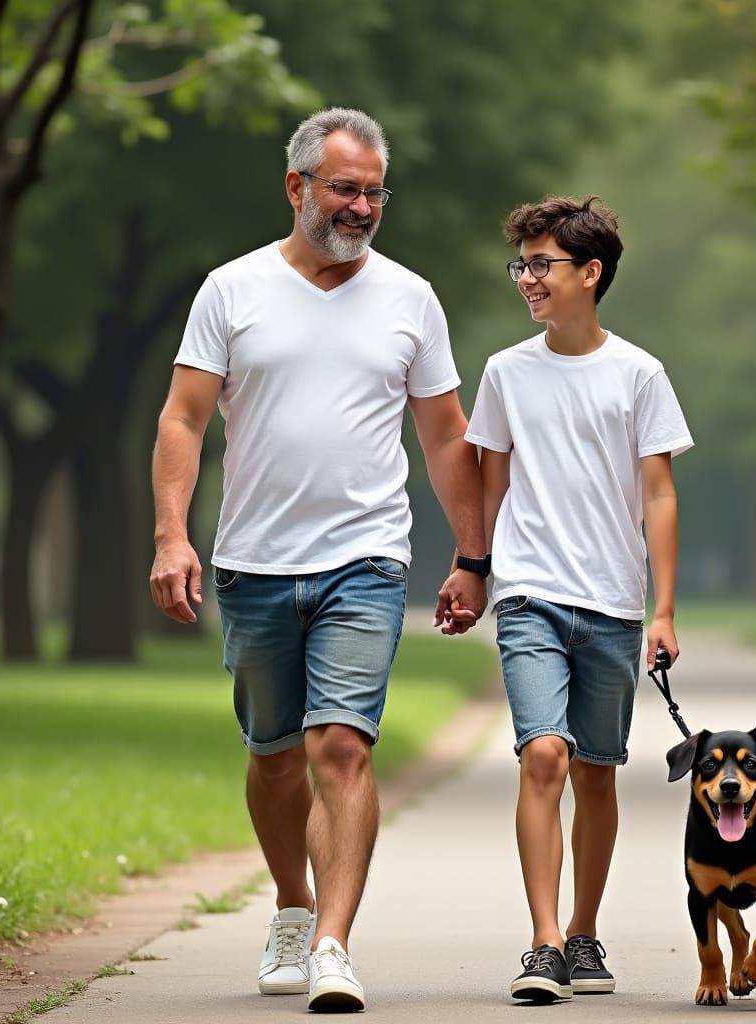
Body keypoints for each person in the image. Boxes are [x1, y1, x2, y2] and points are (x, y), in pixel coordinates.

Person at [149, 107, 488, 1013]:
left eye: (375, 193)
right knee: (274, 757)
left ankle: (334, 945)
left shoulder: (411, 298)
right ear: (296, 185)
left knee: (340, 746)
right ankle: (293, 906)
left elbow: (445, 435)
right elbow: (183, 417)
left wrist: (473, 555)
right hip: (254, 562)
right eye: (345, 189)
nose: (362, 208)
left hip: (365, 560)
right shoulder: (232, 290)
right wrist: (173, 535)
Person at [464, 195, 693, 1003]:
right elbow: (490, 485)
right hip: (530, 592)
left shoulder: (639, 374)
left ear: (590, 273)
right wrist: (474, 569)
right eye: (521, 265)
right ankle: (545, 941)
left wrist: (663, 610)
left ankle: (585, 931)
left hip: (611, 601)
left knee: (597, 773)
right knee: (543, 755)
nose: (528, 278)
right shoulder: (505, 372)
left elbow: (658, 495)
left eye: (542, 264)